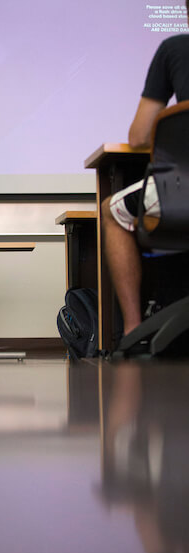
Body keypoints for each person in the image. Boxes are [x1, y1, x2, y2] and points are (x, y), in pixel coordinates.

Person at [101, 6, 189, 341]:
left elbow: (138, 137)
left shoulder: (174, 49)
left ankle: (134, 330)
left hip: (183, 194)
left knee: (112, 210)